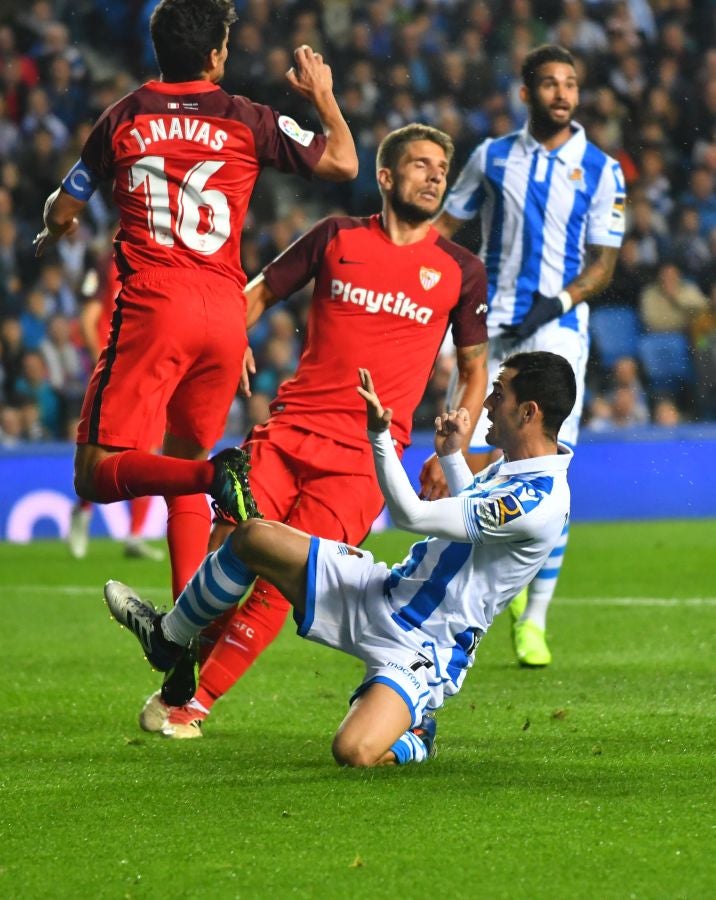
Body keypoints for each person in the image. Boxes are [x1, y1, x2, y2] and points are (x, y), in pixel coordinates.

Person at [142, 123, 489, 739]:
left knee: (284, 580)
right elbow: (256, 293)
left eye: (442, 167)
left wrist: (455, 444)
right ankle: (179, 665)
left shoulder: (460, 270)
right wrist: (228, 341)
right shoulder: (335, 237)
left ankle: (192, 706)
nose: (436, 174)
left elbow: (473, 368)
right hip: (289, 430)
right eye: (420, 164)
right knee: (231, 544)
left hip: (364, 458)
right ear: (385, 177)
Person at [105, 352, 576, 766]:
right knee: (252, 538)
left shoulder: (538, 500)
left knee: (353, 751)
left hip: (423, 650)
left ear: (528, 412)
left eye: (498, 393)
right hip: (384, 591)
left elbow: (411, 514)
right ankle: (169, 639)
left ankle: (417, 736)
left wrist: (379, 435)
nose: (488, 404)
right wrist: (453, 456)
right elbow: (477, 515)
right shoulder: (514, 468)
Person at [34, 0, 357, 602]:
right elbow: (342, 161)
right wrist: (322, 94)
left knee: (97, 473)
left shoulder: (124, 117)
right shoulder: (245, 118)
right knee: (184, 457)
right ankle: (182, 637)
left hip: (156, 304)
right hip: (226, 314)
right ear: (215, 55)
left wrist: (55, 227)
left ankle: (216, 475)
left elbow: (66, 204)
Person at [435, 44, 625, 668]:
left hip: (558, 330)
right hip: (487, 325)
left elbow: (604, 264)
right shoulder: (491, 157)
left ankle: (534, 620)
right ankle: (465, 587)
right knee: (468, 444)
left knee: (549, 462)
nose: (562, 94)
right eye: (549, 83)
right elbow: (443, 229)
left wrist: (557, 301)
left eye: (571, 83)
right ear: (526, 93)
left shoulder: (601, 169)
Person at [67, 256, 165, 561]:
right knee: (106, 449)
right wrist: (105, 365)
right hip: (115, 368)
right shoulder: (105, 264)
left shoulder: (156, 265)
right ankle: (82, 513)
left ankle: (135, 536)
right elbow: (88, 318)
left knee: (147, 448)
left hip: (145, 367)